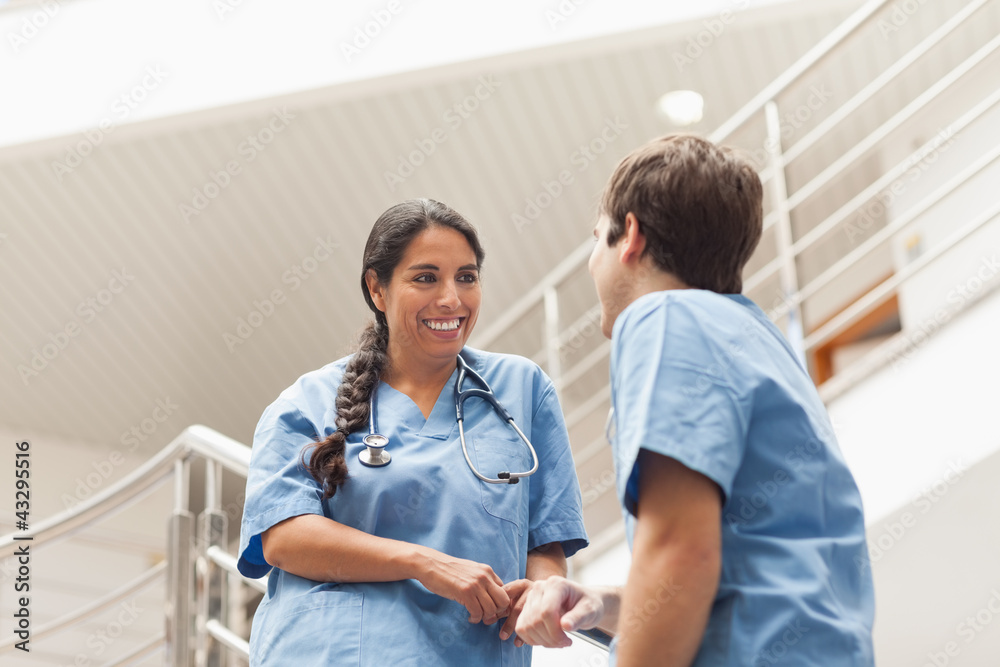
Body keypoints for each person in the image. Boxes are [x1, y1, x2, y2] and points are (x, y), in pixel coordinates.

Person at [514, 134, 875, 665]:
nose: (592, 263)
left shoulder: (661, 318)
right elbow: (730, 572)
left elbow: (681, 552)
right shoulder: (757, 340)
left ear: (630, 236)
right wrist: (605, 604)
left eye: (597, 240)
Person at [237, 198, 588, 666]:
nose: (451, 299)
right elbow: (283, 538)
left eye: (467, 277)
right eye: (426, 278)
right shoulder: (305, 402)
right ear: (377, 289)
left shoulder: (523, 390)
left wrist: (542, 594)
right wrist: (425, 563)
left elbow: (545, 541)